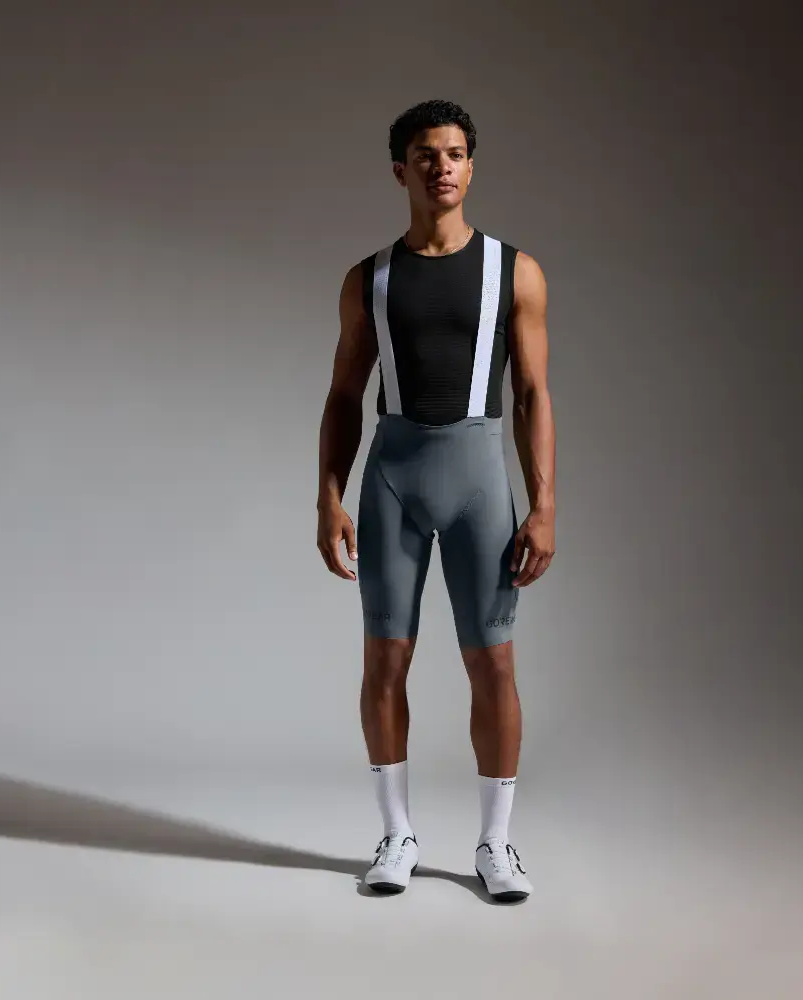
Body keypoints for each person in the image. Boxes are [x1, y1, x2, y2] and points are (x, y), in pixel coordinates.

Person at [316, 99, 555, 903]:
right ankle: (397, 835)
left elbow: (533, 394)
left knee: (493, 661)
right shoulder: (369, 279)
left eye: (455, 154)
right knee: (385, 660)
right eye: (426, 154)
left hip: (479, 478)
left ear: (471, 168)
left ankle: (495, 843)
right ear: (401, 170)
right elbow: (344, 394)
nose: (442, 167)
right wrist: (328, 497)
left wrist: (545, 505)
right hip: (394, 477)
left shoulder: (514, 272)